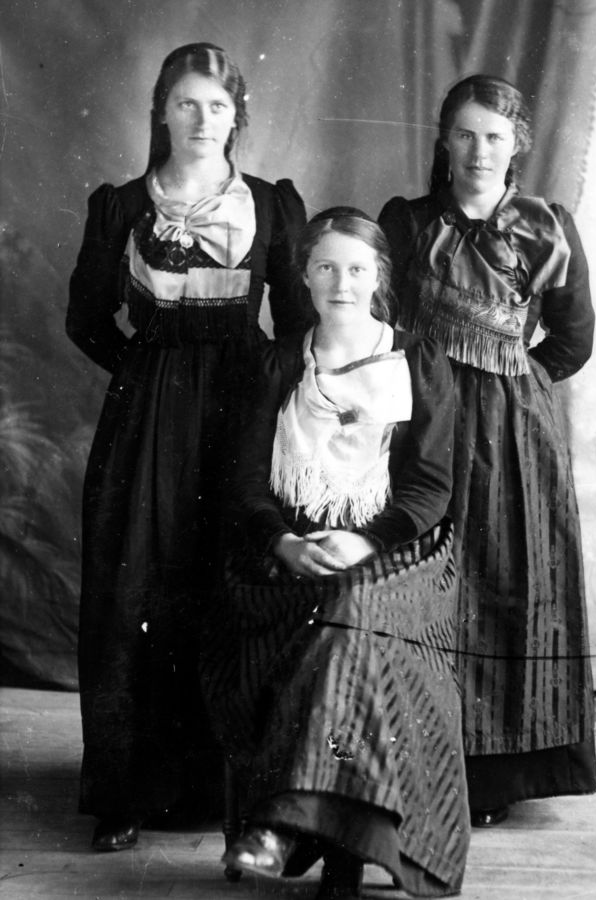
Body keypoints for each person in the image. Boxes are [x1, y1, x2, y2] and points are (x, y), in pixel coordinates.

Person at [66, 43, 309, 851]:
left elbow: (298, 323)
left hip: (243, 412)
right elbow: (86, 320)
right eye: (186, 104)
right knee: (134, 587)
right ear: (161, 113)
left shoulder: (270, 204)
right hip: (145, 420)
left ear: (237, 116)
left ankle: (235, 787)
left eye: (217, 106)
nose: (202, 119)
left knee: (230, 582)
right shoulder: (119, 207)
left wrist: (256, 392)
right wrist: (148, 374)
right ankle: (127, 792)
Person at [200, 208, 469, 899]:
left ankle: (283, 827)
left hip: (398, 553)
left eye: (355, 268)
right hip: (289, 549)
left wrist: (366, 539)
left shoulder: (418, 360)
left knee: (349, 619)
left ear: (379, 276)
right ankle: (337, 853)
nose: (341, 283)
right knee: (337, 624)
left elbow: (430, 486)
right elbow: (245, 482)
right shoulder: (277, 362)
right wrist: (284, 541)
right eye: (325, 267)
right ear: (304, 277)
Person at [378, 74, 596, 828]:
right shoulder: (408, 222)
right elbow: (380, 319)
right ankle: (411, 756)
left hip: (510, 437)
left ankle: (494, 774)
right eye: (465, 135)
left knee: (503, 581)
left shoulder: (545, 227)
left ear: (516, 146)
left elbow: (571, 341)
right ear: (444, 141)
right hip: (420, 423)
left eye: (494, 137)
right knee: (422, 580)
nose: (479, 152)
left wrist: (512, 388)